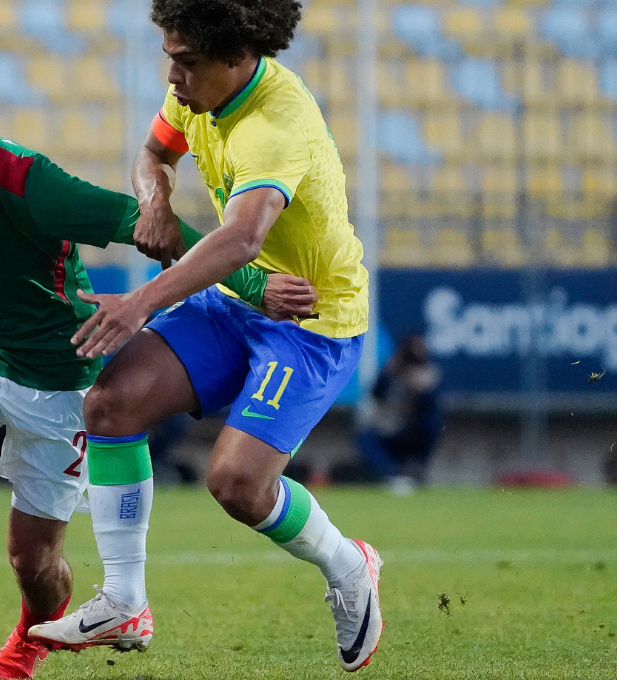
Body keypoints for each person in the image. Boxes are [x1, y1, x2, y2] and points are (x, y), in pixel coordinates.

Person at [0, 68, 315, 680]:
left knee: (33, 560)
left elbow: (150, 226)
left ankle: (26, 644)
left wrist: (255, 284)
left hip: (58, 373)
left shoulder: (29, 185)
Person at [29, 0, 385, 672]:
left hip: (309, 324)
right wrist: (155, 198)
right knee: (110, 401)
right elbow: (149, 154)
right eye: (169, 55)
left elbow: (243, 237)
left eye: (185, 61)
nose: (172, 76)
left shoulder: (275, 124)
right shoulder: (199, 96)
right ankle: (124, 601)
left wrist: (140, 303)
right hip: (236, 304)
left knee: (236, 485)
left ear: (236, 56)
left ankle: (349, 564)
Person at [355, 335, 442, 487]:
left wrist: (423, 390)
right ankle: (390, 475)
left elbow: (433, 409)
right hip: (388, 428)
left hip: (412, 430)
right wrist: (391, 372)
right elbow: (376, 393)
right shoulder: (392, 370)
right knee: (364, 435)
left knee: (432, 425)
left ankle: (416, 469)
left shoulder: (429, 373)